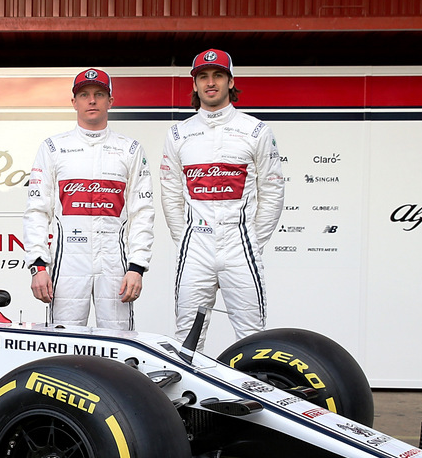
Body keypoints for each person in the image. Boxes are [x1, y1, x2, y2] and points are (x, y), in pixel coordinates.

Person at [160, 49, 285, 349]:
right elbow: (171, 194)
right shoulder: (178, 134)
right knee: (187, 337)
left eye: (218, 76)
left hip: (239, 245)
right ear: (195, 85)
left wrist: (252, 239)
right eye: (203, 77)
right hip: (195, 248)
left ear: (231, 82)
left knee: (252, 336)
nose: (210, 83)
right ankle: (188, 395)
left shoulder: (255, 130)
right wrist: (187, 238)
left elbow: (272, 191)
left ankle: (253, 395)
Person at [23, 68, 155, 330]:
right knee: (64, 344)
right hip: (69, 262)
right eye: (84, 95)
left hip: (115, 266)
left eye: (99, 94)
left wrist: (137, 266)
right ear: (74, 102)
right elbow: (37, 211)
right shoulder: (53, 148)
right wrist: (38, 266)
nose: (91, 100)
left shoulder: (130, 149)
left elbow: (142, 212)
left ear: (110, 101)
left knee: (119, 344)